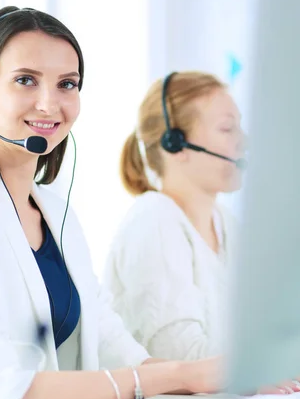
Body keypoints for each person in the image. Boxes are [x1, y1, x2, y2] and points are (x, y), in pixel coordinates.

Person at [0, 6, 224, 399]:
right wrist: (174, 377)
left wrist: (224, 376)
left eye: (67, 83)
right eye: (26, 80)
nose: (50, 104)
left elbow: (111, 343)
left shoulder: (55, 211)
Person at [102, 71, 244, 361]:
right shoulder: (154, 221)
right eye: (228, 129)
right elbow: (181, 355)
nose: (244, 142)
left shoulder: (226, 223)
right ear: (175, 144)